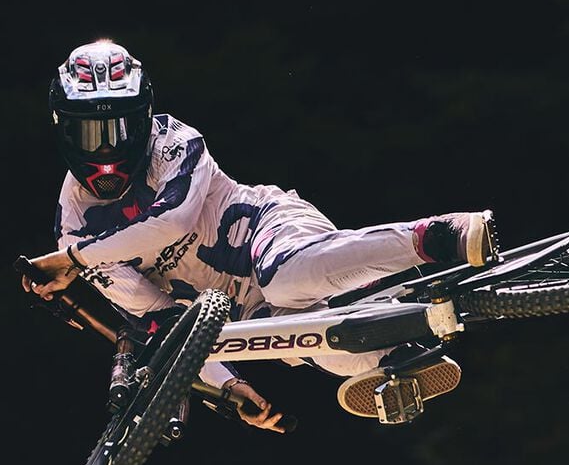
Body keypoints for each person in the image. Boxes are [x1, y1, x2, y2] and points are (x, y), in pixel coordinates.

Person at [22, 39, 496, 432]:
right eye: (91, 134)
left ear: (145, 116)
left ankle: (434, 236)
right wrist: (227, 389)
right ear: (63, 130)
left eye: (120, 128)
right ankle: (401, 355)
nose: (107, 150)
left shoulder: (175, 142)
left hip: (268, 231)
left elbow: (173, 222)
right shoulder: (75, 231)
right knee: (329, 348)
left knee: (285, 279)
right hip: (249, 313)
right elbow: (163, 321)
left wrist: (74, 261)